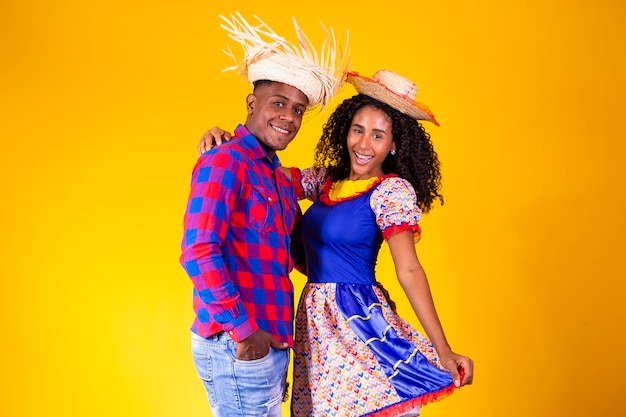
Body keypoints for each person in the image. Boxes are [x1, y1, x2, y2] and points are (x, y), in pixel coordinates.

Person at [199, 69, 474, 417]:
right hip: (315, 324)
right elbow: (259, 166)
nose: (363, 144)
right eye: (358, 130)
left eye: (378, 135)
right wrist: (225, 138)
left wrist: (443, 349)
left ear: (394, 145)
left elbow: (409, 269)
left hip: (356, 319)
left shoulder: (390, 191)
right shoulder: (325, 182)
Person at [179, 12, 348, 417]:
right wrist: (243, 331)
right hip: (240, 345)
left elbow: (333, 181)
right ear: (252, 104)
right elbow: (198, 251)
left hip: (270, 342)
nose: (289, 118)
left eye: (298, 110)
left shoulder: (276, 176)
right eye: (278, 104)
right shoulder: (225, 161)